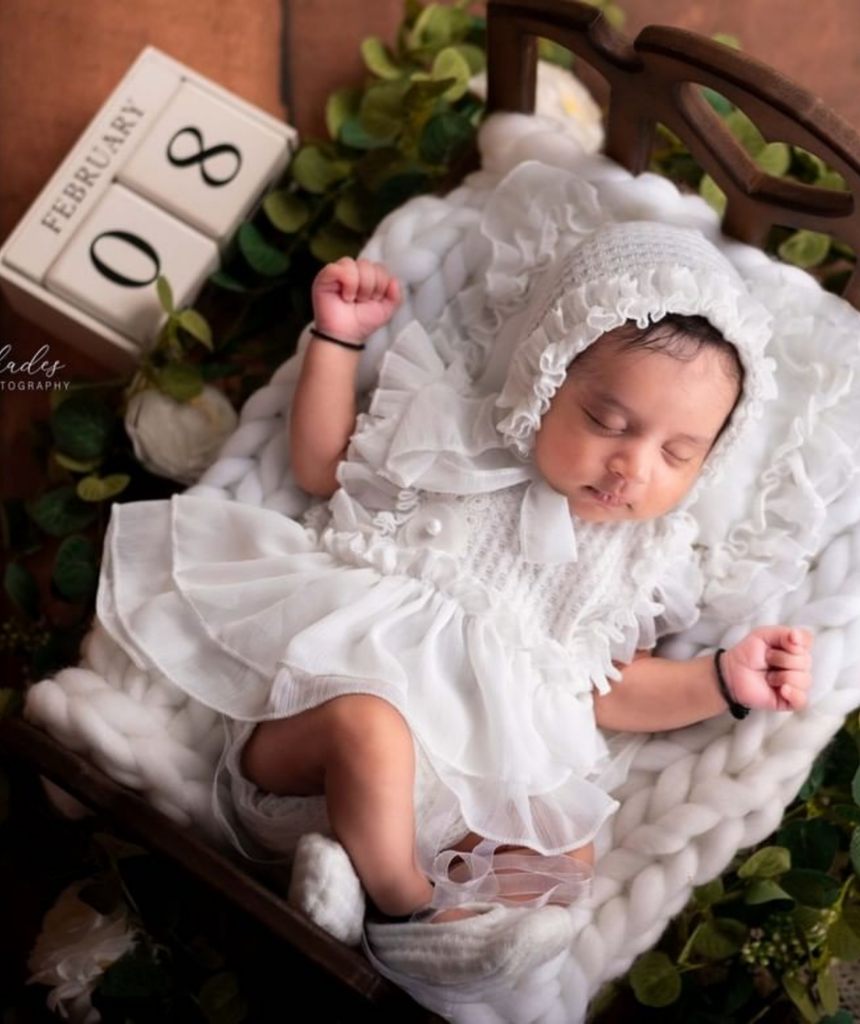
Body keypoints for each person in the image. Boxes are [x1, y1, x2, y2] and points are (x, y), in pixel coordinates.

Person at [95, 220, 812, 989]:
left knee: (568, 854)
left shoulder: (639, 561)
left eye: (677, 454)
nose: (632, 466)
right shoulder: (451, 439)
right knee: (373, 727)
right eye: (607, 421)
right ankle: (404, 912)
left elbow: (613, 690)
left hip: (458, 821)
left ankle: (383, 889)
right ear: (546, 374)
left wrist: (721, 683)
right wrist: (336, 344)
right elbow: (320, 465)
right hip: (312, 748)